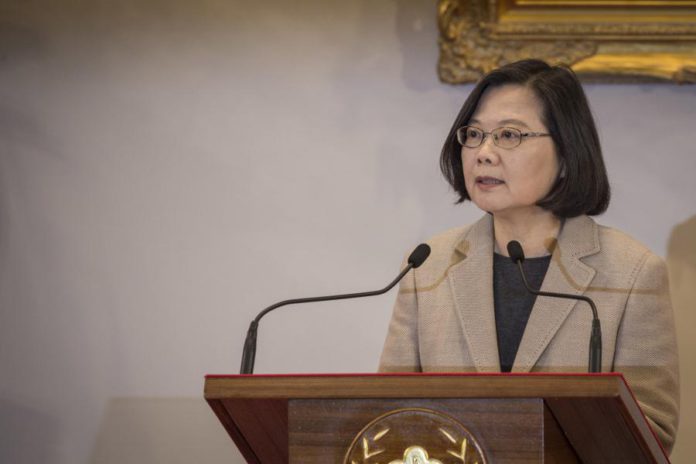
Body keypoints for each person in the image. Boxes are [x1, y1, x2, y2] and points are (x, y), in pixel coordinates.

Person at [378, 59, 679, 453]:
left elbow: (651, 435)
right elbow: (390, 415)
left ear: (567, 152)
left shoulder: (633, 274)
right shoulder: (427, 266)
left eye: (509, 135)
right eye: (474, 134)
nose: (484, 153)